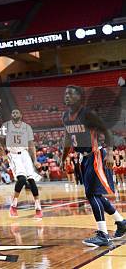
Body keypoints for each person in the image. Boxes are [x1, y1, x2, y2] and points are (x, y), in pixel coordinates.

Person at [60, 85, 126, 246]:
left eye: (70, 93)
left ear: (79, 97)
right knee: (95, 194)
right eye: (65, 94)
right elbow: (68, 139)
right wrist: (63, 158)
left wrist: (110, 153)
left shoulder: (88, 114)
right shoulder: (65, 116)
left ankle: (103, 234)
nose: (67, 96)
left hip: (96, 155)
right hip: (84, 159)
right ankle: (121, 223)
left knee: (91, 194)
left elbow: (107, 132)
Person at [4, 109, 43, 219]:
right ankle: (13, 205)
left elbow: (31, 144)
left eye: (17, 112)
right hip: (14, 154)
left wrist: (35, 160)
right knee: (21, 179)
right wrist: (2, 153)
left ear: (21, 115)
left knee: (31, 180)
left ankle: (38, 208)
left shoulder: (27, 127)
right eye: (13, 113)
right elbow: (0, 140)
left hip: (25, 154)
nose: (15, 114)